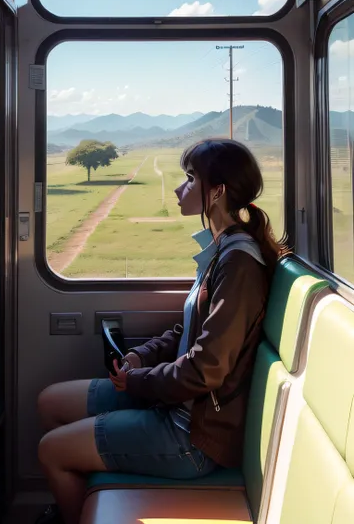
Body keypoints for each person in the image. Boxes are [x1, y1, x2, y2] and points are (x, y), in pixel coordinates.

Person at [36, 139, 286, 524]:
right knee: (50, 402)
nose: (178, 189)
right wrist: (142, 356)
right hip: (175, 403)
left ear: (216, 192)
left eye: (189, 179)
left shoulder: (239, 265)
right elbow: (189, 330)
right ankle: (91, 490)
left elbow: (206, 369)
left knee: (52, 450)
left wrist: (136, 382)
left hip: (194, 435)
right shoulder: (221, 250)